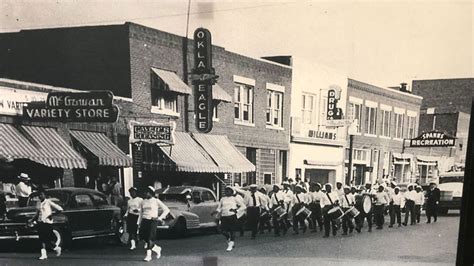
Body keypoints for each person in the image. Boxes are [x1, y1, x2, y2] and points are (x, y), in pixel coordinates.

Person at [29, 188, 63, 260]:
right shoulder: (38, 203)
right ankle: (44, 255)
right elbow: (37, 213)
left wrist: (51, 215)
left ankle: (56, 248)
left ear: (45, 195)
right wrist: (32, 220)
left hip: (47, 223)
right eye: (39, 195)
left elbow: (60, 209)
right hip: (40, 222)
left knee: (48, 239)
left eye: (41, 195)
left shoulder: (48, 202)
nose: (40, 196)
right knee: (41, 239)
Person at [139, 186, 170, 262]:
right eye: (145, 192)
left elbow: (166, 210)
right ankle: (157, 248)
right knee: (143, 237)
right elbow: (141, 213)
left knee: (150, 238)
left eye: (147, 192)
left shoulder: (156, 201)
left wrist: (159, 218)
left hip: (152, 221)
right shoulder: (143, 201)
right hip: (144, 220)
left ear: (151, 193)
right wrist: (139, 223)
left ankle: (148, 256)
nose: (145, 193)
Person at [215, 186, 244, 252]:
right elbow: (219, 207)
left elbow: (243, 206)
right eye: (226, 191)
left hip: (232, 216)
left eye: (228, 191)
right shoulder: (222, 199)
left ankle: (230, 245)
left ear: (231, 192)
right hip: (224, 216)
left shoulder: (234, 198)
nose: (226, 192)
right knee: (223, 231)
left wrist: (236, 211)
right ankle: (228, 238)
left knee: (232, 231)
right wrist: (216, 211)